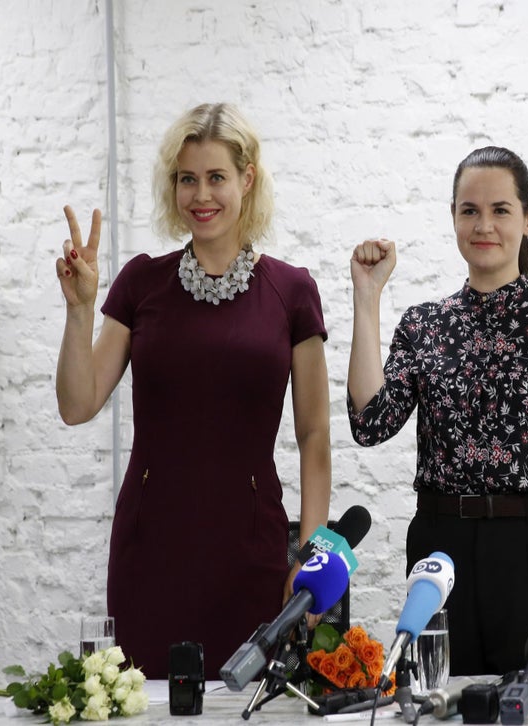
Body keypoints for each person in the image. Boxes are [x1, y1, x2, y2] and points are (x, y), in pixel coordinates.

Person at [55, 103, 331, 678]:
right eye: (187, 179)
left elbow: (314, 434)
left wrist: (310, 556)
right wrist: (80, 312)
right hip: (150, 548)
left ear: (246, 179)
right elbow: (78, 405)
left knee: (247, 704)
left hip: (251, 552)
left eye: (215, 177)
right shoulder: (140, 282)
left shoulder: (292, 291)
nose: (200, 195)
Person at [347, 146, 528, 676]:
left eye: (500, 210)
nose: (483, 224)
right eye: (469, 210)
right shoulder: (423, 324)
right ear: (453, 218)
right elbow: (370, 423)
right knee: (440, 702)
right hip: (442, 550)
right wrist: (367, 297)